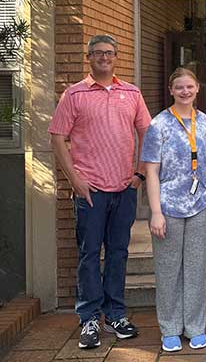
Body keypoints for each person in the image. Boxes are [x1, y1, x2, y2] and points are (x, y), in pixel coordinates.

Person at [49, 34, 151, 348]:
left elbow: (147, 132)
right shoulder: (74, 95)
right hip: (90, 190)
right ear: (89, 58)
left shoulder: (131, 92)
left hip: (124, 188)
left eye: (109, 53)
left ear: (116, 57)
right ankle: (90, 319)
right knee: (89, 255)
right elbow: (57, 138)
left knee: (118, 254)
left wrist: (140, 174)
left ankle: (116, 314)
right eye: (98, 53)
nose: (104, 57)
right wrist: (75, 181)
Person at [141, 67, 206, 352]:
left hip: (201, 203)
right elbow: (151, 171)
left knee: (197, 267)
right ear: (171, 91)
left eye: (190, 87)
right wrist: (156, 212)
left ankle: (195, 326)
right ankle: (170, 327)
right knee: (168, 268)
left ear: (197, 88)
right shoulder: (158, 125)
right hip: (169, 205)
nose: (185, 92)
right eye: (179, 88)